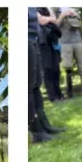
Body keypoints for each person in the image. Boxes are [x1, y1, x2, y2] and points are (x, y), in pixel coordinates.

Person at [29, 8, 66, 144]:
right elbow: (40, 19)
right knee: (28, 87)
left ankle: (45, 125)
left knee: (36, 84)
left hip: (34, 38)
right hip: (27, 37)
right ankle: (36, 131)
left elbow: (49, 19)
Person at [52, 7, 82, 98]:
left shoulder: (72, 7)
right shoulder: (55, 9)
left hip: (77, 40)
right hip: (65, 42)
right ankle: (70, 92)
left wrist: (76, 15)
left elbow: (80, 24)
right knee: (68, 67)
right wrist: (62, 16)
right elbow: (55, 26)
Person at [37, 7, 64, 102]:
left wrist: (48, 19)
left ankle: (59, 94)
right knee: (47, 69)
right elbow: (40, 20)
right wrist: (50, 19)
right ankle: (53, 97)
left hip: (53, 40)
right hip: (42, 42)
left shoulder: (47, 6)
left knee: (56, 69)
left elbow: (54, 19)